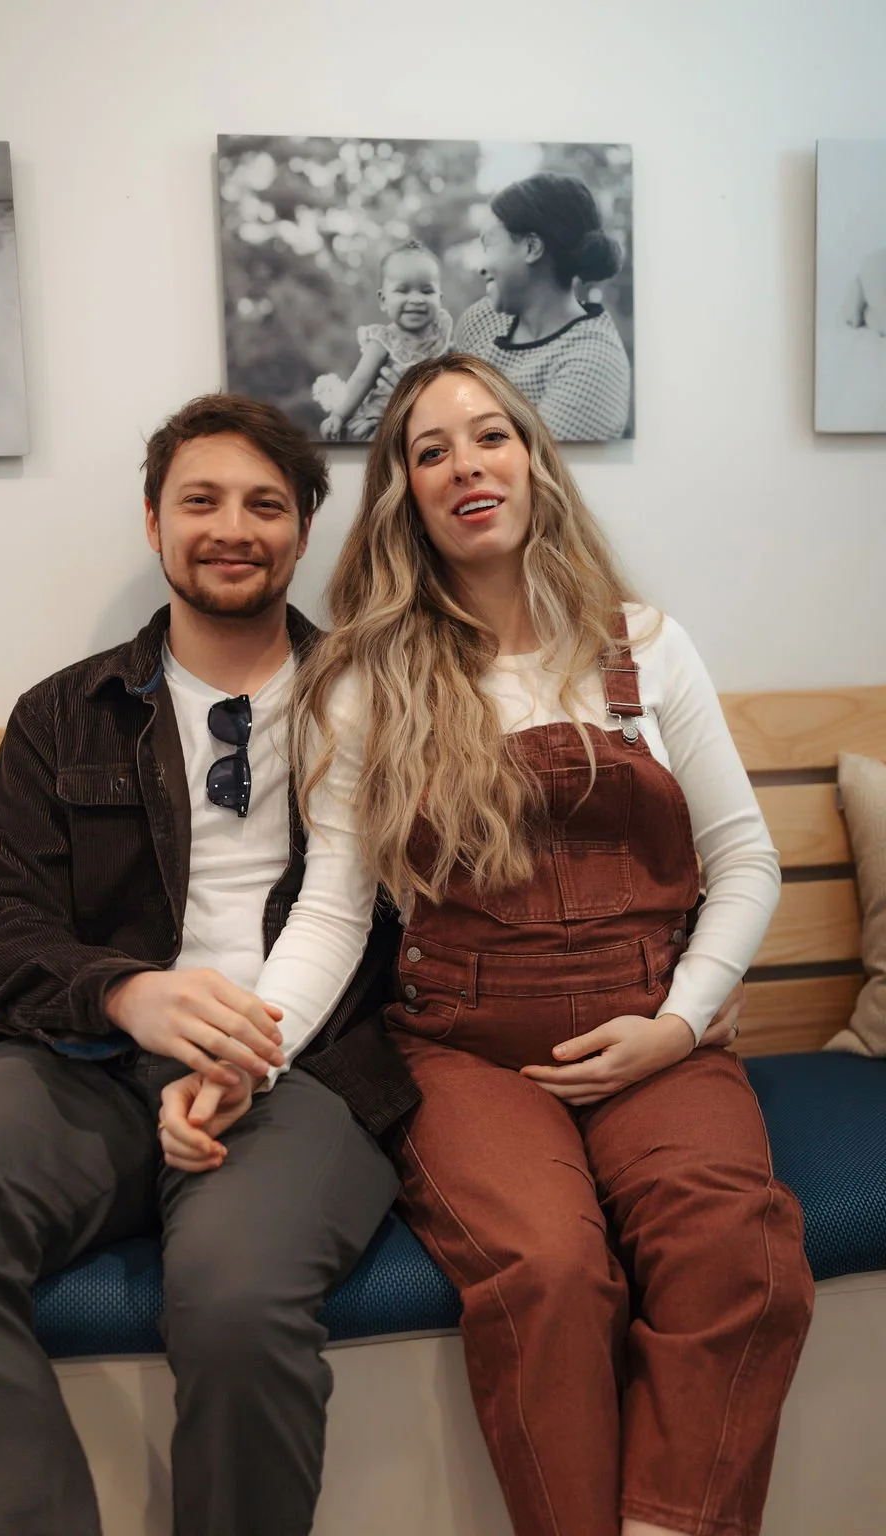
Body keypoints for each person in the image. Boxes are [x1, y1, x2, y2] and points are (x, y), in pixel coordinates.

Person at [0, 393, 414, 1536]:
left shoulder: (372, 700)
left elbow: (360, 915)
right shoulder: (63, 716)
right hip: (78, 1062)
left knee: (236, 1304)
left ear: (303, 531)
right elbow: (0, 924)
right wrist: (126, 992)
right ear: (152, 522)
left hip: (302, 1077)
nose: (232, 527)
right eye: (200, 500)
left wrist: (245, 1051)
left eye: (266, 504)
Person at [290, 353, 814, 1536]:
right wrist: (245, 1050)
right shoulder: (367, 680)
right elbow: (334, 911)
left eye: (490, 436)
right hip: (468, 1054)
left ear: (533, 460)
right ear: (403, 494)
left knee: (741, 1250)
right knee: (548, 1272)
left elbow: (746, 864)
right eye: (431, 451)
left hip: (655, 1031)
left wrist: (679, 1022)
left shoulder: (643, 647)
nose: (466, 465)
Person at [455, 171, 632, 441]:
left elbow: (535, 470)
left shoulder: (592, 362)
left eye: (489, 244)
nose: (480, 266)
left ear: (531, 247)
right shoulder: (482, 320)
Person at [313, 239, 453, 441]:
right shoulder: (384, 340)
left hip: (431, 422)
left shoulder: (443, 336)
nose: (416, 299)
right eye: (403, 290)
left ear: (440, 298)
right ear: (383, 300)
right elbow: (360, 380)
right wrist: (339, 415)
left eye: (426, 291)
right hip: (384, 421)